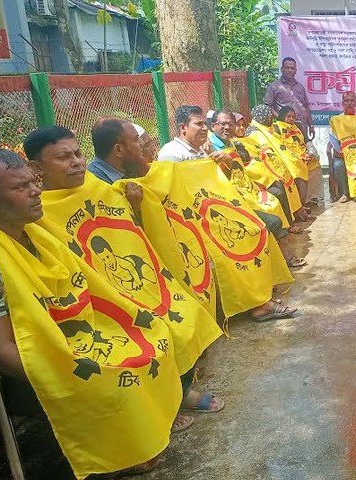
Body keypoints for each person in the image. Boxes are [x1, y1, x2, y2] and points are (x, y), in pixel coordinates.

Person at [0, 148, 156, 480]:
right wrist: (76, 371)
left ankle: (120, 450)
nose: (35, 191)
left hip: (53, 339)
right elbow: (2, 353)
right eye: (20, 187)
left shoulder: (34, 233)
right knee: (97, 381)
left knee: (142, 341)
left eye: (33, 182)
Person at [25, 126, 226, 416]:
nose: (77, 162)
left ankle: (176, 393)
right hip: (96, 305)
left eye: (78, 154)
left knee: (186, 316)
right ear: (36, 168)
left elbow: (133, 238)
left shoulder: (101, 189)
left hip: (137, 287)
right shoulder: (35, 214)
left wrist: (135, 207)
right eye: (63, 157)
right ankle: (166, 403)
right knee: (151, 334)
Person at [158, 105, 287, 241]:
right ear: (183, 127)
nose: (204, 128)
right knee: (267, 224)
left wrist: (228, 163)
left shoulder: (203, 150)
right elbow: (171, 195)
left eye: (204, 124)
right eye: (199, 124)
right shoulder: (172, 153)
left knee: (273, 220)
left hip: (218, 205)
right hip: (199, 216)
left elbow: (219, 182)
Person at [328, 91, 356, 203]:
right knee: (338, 164)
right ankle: (345, 193)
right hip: (343, 154)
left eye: (351, 100)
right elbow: (333, 138)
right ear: (342, 103)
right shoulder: (337, 119)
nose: (349, 103)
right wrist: (338, 151)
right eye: (346, 100)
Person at [87, 117, 151, 184]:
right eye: (136, 140)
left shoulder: (129, 166)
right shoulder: (94, 183)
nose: (142, 143)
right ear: (118, 150)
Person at [264, 57, 314, 139]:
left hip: (302, 128)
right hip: (284, 129)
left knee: (306, 147)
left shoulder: (300, 87)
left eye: (292, 68)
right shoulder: (274, 86)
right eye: (287, 67)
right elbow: (268, 107)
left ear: (295, 71)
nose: (289, 70)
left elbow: (306, 107)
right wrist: (282, 118)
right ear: (282, 69)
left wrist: (311, 125)